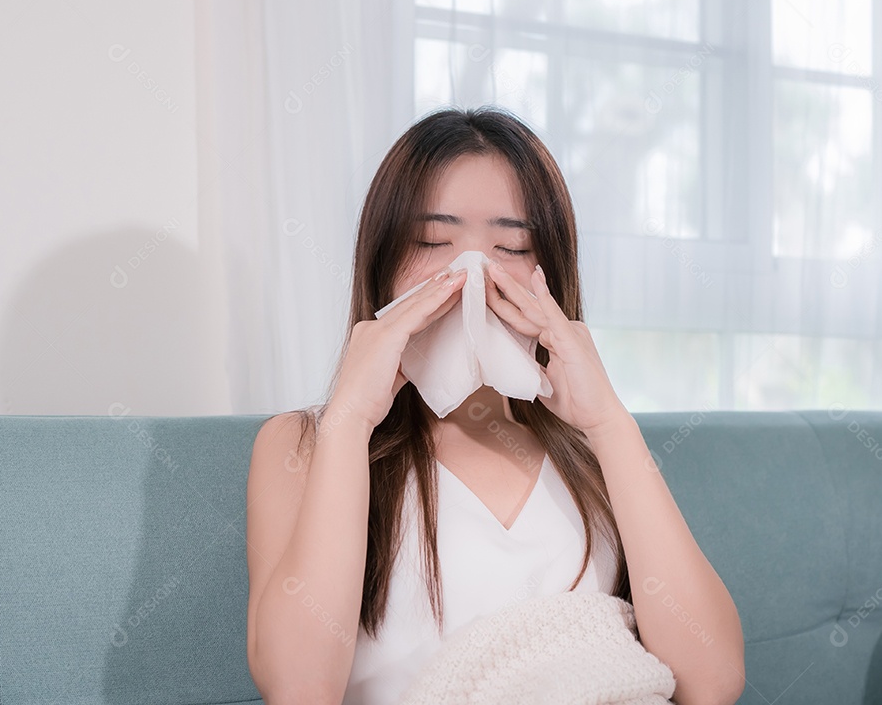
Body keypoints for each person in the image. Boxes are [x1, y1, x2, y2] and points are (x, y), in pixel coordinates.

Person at [245, 106, 745, 705]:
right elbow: (299, 687)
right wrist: (351, 419)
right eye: (434, 241)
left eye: (510, 246)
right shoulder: (304, 445)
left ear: (550, 275)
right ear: (381, 266)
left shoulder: (591, 453)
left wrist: (609, 422)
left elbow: (711, 682)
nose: (473, 276)